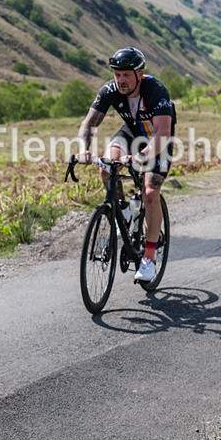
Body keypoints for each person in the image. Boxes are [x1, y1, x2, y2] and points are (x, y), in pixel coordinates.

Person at [77, 47, 176, 283]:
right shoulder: (110, 89)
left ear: (139, 73)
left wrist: (142, 157)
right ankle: (120, 207)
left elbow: (163, 133)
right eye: (117, 74)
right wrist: (83, 150)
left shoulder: (156, 90)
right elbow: (89, 123)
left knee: (150, 192)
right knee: (106, 166)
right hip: (130, 133)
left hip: (156, 140)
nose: (120, 80)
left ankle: (149, 259)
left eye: (126, 75)